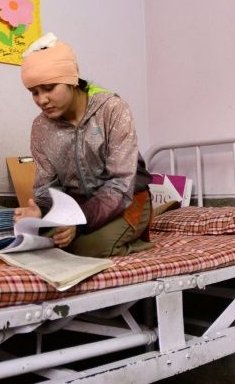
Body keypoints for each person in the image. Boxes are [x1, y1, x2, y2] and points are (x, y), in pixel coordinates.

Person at [13, 33, 153, 257]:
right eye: (34, 92)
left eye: (49, 88)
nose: (42, 100)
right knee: (43, 248)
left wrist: (77, 223)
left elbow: (120, 184)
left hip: (126, 201)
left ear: (71, 80)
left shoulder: (113, 110)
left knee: (87, 248)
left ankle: (137, 245)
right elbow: (46, 187)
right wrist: (41, 209)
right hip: (77, 208)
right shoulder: (41, 128)